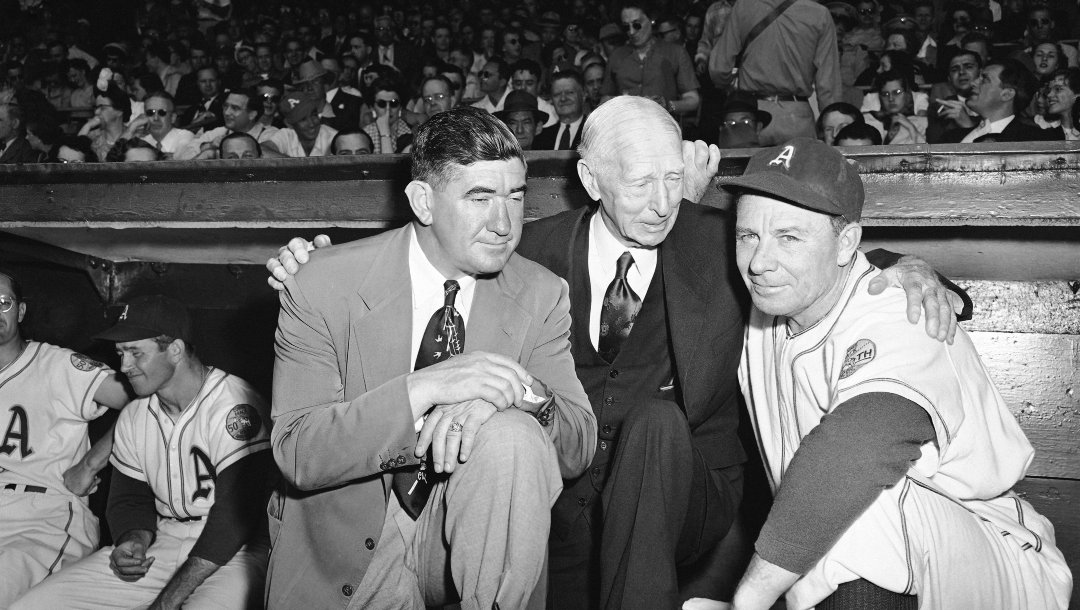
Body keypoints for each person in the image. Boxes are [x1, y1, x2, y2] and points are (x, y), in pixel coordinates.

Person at [718, 137, 1073, 610]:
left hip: (994, 560)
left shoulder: (906, 309)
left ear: (846, 242)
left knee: (856, 503)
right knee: (836, 512)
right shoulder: (770, 306)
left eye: (789, 237)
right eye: (748, 236)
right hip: (879, 570)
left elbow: (863, 444)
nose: (760, 262)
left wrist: (748, 600)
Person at [265, 106, 596, 609]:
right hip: (347, 546)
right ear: (423, 201)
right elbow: (298, 454)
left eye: (515, 196)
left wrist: (519, 395)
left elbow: (578, 446)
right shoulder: (322, 282)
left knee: (511, 434)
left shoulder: (541, 293)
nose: (504, 223)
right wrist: (430, 386)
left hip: (471, 537)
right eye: (479, 197)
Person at [14, 295, 275, 609]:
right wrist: (133, 540)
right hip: (166, 542)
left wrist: (166, 601)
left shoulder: (235, 405)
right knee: (36, 604)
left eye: (136, 352)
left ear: (175, 350)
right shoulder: (136, 415)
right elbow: (130, 499)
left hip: (236, 553)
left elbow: (234, 520)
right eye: (121, 353)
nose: (124, 366)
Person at [0, 271, 132, 606]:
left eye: (3, 302)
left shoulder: (56, 365)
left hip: (43, 516)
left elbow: (149, 398)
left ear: (21, 311)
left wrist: (90, 463)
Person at [709, 0, 842, 145]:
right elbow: (828, 85)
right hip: (797, 118)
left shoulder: (744, 7)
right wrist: (831, 128)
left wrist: (729, 85)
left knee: (749, 167)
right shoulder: (819, 14)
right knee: (801, 166)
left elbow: (718, 69)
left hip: (751, 116)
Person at [601, 2, 700, 117]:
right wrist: (618, 103)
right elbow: (605, 98)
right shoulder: (617, 56)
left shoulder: (675, 53)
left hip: (662, 128)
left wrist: (668, 106)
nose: (631, 32)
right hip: (626, 127)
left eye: (637, 25)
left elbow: (693, 99)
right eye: (626, 27)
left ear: (651, 20)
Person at [940, 59, 1063, 143]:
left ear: (1007, 94)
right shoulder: (950, 138)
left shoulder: (1035, 140)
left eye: (984, 79)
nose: (973, 83)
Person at [264, 92, 338, 157]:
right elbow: (262, 150)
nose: (311, 124)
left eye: (314, 115)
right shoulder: (286, 135)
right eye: (303, 119)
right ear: (289, 124)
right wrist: (295, 165)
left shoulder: (333, 137)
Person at [533, 69, 586, 150]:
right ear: (551, 99)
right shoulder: (541, 138)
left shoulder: (594, 134)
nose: (563, 98)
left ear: (583, 95)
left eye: (569, 92)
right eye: (557, 94)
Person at [139, 92, 195, 159]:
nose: (156, 118)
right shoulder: (143, 141)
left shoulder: (185, 137)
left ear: (173, 118)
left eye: (162, 112)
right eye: (150, 113)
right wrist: (131, 129)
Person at [361, 78, 410, 154]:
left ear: (400, 106)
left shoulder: (411, 133)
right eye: (381, 103)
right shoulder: (364, 136)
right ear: (372, 107)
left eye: (394, 103)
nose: (388, 109)